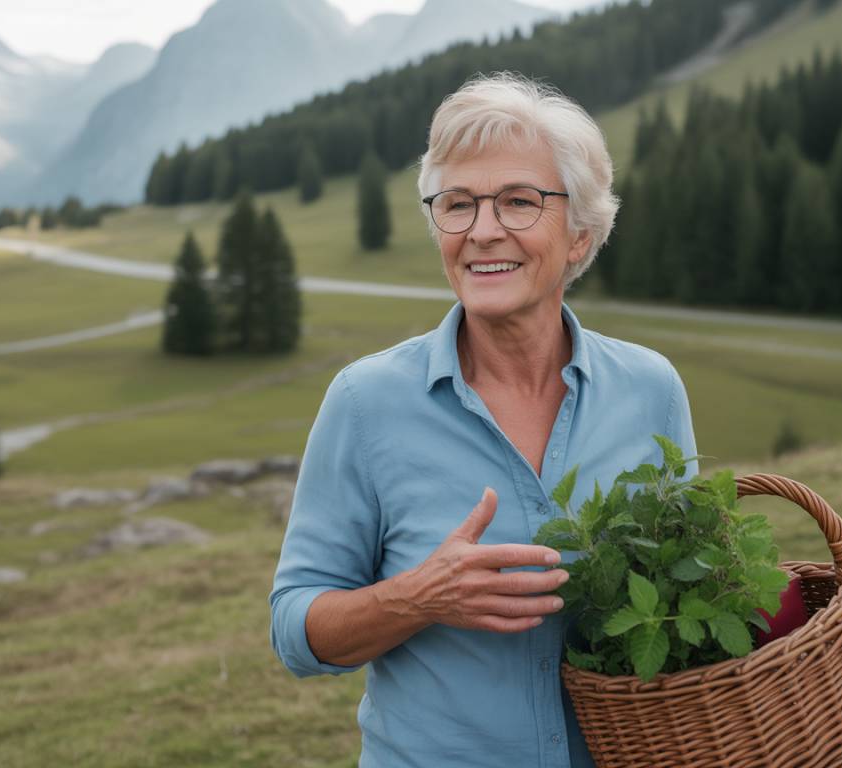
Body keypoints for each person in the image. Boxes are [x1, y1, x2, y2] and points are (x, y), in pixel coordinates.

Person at [269, 72, 698, 768]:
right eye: (458, 204)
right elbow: (296, 634)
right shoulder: (365, 402)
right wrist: (419, 597)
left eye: (519, 202)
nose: (482, 231)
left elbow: (685, 594)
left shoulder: (651, 390)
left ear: (581, 236)